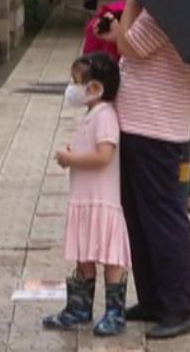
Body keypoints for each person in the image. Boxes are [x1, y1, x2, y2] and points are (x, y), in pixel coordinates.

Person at [97, 0, 190, 339]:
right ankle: (154, 298)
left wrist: (132, 1)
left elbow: (130, 45)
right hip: (145, 123)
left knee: (162, 218)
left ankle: (178, 305)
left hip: (155, 126)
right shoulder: (176, 5)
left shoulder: (173, 7)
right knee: (140, 218)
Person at [43, 52, 130, 337]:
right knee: (84, 255)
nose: (71, 87)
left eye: (75, 81)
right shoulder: (92, 115)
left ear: (95, 88)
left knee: (110, 259)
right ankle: (80, 308)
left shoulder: (105, 116)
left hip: (102, 200)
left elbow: (104, 156)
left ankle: (115, 312)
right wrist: (73, 154)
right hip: (85, 199)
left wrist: (71, 160)